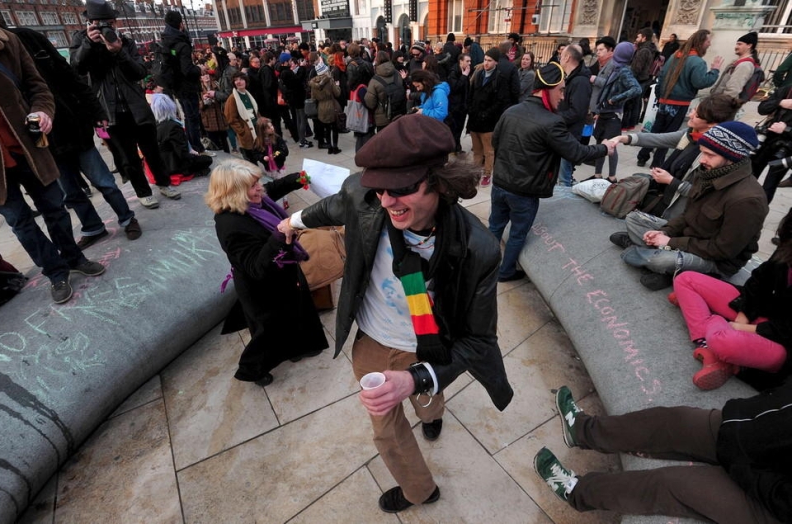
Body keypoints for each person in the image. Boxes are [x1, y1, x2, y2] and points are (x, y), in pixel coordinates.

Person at [276, 113, 514, 514]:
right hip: (371, 340)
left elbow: (477, 340)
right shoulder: (367, 198)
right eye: (379, 188)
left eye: (401, 188)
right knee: (386, 433)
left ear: (439, 181)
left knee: (425, 395)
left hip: (427, 345)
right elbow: (336, 204)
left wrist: (420, 378)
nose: (386, 201)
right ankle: (420, 490)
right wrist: (293, 219)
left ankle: (432, 409)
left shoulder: (478, 249)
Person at [0, 2, 106, 303]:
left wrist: (43, 111)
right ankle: (55, 273)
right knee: (21, 223)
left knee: (55, 208)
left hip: (27, 146)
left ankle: (73, 258)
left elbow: (36, 86)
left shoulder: (7, 41)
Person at [535, 384, 792, 523]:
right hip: (752, 430)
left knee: (668, 485)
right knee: (673, 420)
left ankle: (577, 491)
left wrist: (739, 465)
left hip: (773, 500)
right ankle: (582, 430)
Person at [488, 63, 616, 282]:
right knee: (518, 233)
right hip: (524, 191)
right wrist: (605, 147)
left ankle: (484, 268)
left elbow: (496, 142)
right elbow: (576, 152)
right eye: (562, 90)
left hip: (500, 184)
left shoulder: (511, 111)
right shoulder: (551, 122)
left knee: (494, 227)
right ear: (548, 88)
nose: (563, 96)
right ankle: (505, 271)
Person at [207, 160, 328, 386]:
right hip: (262, 289)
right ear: (233, 192)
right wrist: (281, 236)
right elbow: (256, 267)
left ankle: (298, 348)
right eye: (253, 186)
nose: (260, 188)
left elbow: (272, 189)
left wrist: (297, 179)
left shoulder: (251, 201)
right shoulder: (230, 225)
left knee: (296, 312)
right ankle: (251, 369)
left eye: (258, 182)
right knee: (269, 330)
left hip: (283, 273)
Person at [615, 122, 768, 291]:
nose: (702, 160)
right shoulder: (708, 173)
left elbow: (723, 250)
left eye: (710, 155)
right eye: (702, 152)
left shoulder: (748, 199)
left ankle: (651, 257)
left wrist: (671, 242)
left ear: (732, 156)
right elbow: (688, 214)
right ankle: (661, 258)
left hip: (716, 261)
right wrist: (666, 231)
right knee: (634, 218)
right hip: (690, 237)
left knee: (660, 260)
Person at [71, 0, 180, 208]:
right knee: (129, 157)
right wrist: (89, 44)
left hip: (136, 107)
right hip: (110, 111)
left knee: (152, 150)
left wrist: (118, 51)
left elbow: (139, 72)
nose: (105, 28)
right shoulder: (81, 41)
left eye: (109, 23)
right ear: (90, 23)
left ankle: (164, 183)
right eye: (100, 23)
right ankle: (143, 191)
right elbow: (77, 69)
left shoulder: (125, 42)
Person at [671, 210, 792, 390]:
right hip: (757, 310)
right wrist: (742, 315)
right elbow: (759, 280)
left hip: (780, 342)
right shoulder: (788, 245)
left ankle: (710, 321)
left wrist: (742, 328)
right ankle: (710, 344)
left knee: (725, 342)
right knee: (685, 279)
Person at [609, 94, 742, 240]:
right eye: (692, 110)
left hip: (684, 215)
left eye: (696, 114)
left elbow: (705, 195)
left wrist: (671, 181)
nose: (689, 115)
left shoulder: (716, 156)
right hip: (666, 199)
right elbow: (659, 138)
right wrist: (624, 138)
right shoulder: (692, 134)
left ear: (711, 124)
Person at [636, 30, 723, 168]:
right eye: (707, 41)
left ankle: (642, 156)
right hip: (679, 103)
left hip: (665, 102)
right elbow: (700, 82)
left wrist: (661, 97)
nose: (709, 44)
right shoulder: (697, 62)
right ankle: (657, 163)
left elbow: (661, 76)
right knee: (668, 135)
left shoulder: (675, 56)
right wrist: (715, 71)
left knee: (656, 131)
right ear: (701, 42)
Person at [589, 41, 642, 183]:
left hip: (613, 114)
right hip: (605, 111)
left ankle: (612, 177)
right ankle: (597, 175)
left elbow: (636, 89)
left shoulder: (624, 70)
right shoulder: (616, 67)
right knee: (601, 144)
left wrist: (614, 100)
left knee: (611, 146)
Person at [161, 10, 205, 154]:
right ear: (180, 24)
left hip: (177, 86)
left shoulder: (168, 41)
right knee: (193, 118)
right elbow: (187, 69)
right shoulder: (182, 44)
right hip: (187, 86)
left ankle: (193, 146)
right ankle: (197, 147)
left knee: (188, 116)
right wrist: (199, 69)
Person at [467, 48, 510, 187]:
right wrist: (471, 110)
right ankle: (475, 172)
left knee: (489, 151)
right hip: (475, 119)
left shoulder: (500, 78)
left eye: (489, 60)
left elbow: (500, 101)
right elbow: (472, 93)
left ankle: (487, 174)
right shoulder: (478, 74)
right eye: (485, 60)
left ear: (496, 62)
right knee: (477, 151)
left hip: (488, 122)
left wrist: (487, 113)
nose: (486, 63)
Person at [557, 44, 594, 187]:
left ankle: (565, 206)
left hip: (569, 136)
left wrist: (555, 118)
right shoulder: (573, 77)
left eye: (562, 54)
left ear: (567, 58)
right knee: (560, 176)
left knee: (564, 178)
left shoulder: (580, 81)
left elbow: (577, 112)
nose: (560, 57)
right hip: (563, 133)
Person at [152, 94, 213, 178]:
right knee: (207, 159)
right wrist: (194, 157)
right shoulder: (173, 126)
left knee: (197, 151)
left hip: (164, 163)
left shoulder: (156, 125)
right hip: (174, 165)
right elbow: (182, 153)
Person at [751, 83, 792, 202]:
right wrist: (780, 102)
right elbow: (762, 109)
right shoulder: (787, 89)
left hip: (786, 149)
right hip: (767, 141)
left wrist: (786, 129)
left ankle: (758, 214)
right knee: (750, 177)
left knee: (769, 185)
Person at [621, 28, 659, 131]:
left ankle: (626, 124)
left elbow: (637, 68)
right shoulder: (647, 49)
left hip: (638, 79)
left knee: (630, 103)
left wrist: (629, 79)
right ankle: (631, 123)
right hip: (643, 79)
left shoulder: (643, 50)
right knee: (636, 102)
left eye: (638, 36)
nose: (636, 38)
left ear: (644, 37)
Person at [364, 51, 405, 133]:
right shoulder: (397, 73)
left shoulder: (374, 80)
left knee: (384, 142)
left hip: (383, 118)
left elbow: (370, 103)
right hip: (400, 113)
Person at [711, 32, 759, 100]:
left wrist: (720, 104)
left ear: (749, 45)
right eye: (736, 44)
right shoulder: (737, 63)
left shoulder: (744, 65)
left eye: (739, 44)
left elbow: (733, 90)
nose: (736, 47)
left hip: (722, 104)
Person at [309, 58, 342, 155]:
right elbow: (337, 94)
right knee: (334, 128)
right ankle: (335, 147)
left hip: (321, 107)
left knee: (326, 128)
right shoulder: (330, 81)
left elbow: (313, 98)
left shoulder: (313, 84)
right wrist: (337, 85)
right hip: (331, 106)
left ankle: (329, 147)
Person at [446, 53, 472, 153]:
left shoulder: (466, 71)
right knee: (454, 128)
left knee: (460, 127)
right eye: (467, 61)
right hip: (454, 106)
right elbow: (455, 88)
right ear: (461, 61)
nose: (469, 63)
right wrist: (464, 76)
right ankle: (453, 147)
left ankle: (457, 146)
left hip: (462, 105)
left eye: (470, 61)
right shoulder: (454, 72)